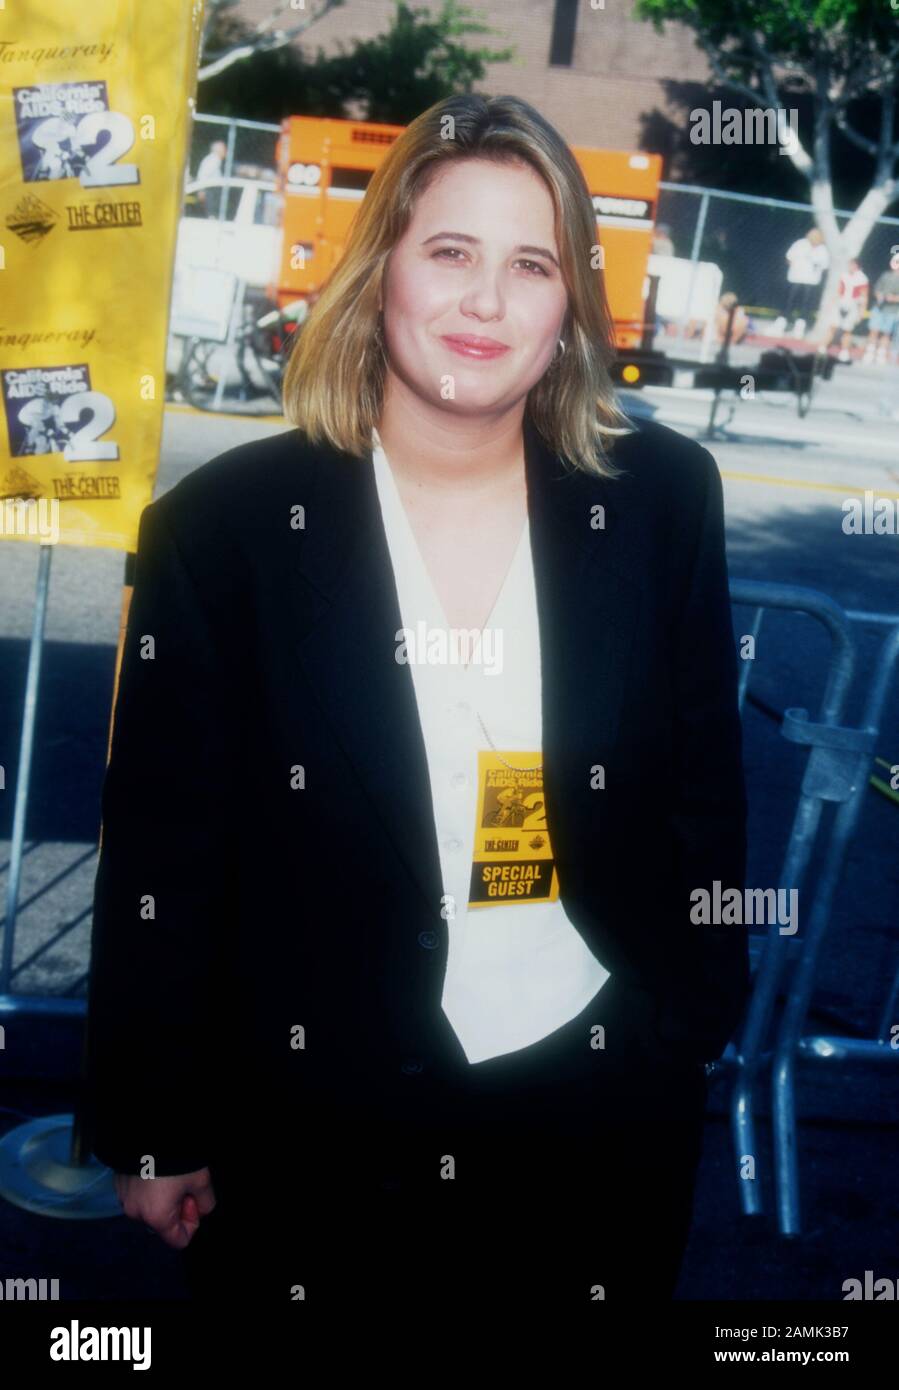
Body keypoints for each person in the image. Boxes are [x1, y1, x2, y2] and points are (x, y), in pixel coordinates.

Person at [84, 94, 749, 1313]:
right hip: (310, 1129)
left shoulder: (659, 499)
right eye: (450, 252)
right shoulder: (225, 531)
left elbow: (703, 785)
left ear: (571, 305)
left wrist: (686, 1018)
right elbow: (163, 853)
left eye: (530, 264)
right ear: (380, 265)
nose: (486, 302)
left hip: (592, 1111)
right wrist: (152, 1123)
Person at [782, 227, 829, 337]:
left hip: (811, 281)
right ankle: (783, 322)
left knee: (806, 304)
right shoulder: (800, 244)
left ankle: (800, 327)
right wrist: (796, 268)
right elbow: (789, 257)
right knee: (790, 300)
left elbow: (825, 265)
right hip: (795, 278)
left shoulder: (823, 249)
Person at [863, 252, 899, 366]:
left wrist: (893, 298)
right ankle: (870, 351)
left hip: (893, 310)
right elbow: (877, 289)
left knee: (886, 333)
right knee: (874, 330)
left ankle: (881, 354)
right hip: (879, 308)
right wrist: (880, 295)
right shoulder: (886, 275)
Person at [830, 259, 869, 362]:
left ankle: (844, 352)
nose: (850, 266)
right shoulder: (844, 275)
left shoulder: (862, 278)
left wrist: (862, 311)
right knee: (833, 326)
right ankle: (824, 349)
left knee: (848, 330)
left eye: (852, 264)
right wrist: (834, 303)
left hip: (853, 306)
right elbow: (839, 290)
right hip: (841, 304)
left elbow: (864, 296)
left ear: (857, 266)